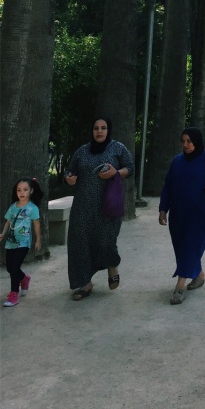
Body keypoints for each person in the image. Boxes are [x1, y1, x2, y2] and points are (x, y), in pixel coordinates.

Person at [64, 116, 134, 300]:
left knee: (106, 240)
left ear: (108, 130)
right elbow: (70, 170)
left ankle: (112, 266)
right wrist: (69, 178)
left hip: (108, 205)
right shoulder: (82, 151)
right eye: (96, 128)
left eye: (103, 128)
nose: (99, 131)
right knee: (80, 243)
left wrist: (116, 172)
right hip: (83, 206)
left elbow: (130, 167)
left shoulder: (118, 148)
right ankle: (85, 283)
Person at [158, 127, 205, 305]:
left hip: (200, 215)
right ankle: (199, 275)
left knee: (190, 247)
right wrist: (163, 209)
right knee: (183, 249)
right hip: (178, 216)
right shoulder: (177, 161)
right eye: (183, 141)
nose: (186, 144)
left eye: (189, 141)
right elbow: (167, 187)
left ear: (197, 141)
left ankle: (179, 287)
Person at [1, 178, 42, 307]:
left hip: (24, 242)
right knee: (10, 268)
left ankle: (14, 294)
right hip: (11, 242)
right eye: (19, 190)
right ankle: (24, 278)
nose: (21, 192)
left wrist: (38, 240)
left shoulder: (32, 208)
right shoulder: (13, 207)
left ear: (31, 191)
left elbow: (36, 225)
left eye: (25, 189)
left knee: (14, 268)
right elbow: (8, 222)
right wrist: (3, 233)